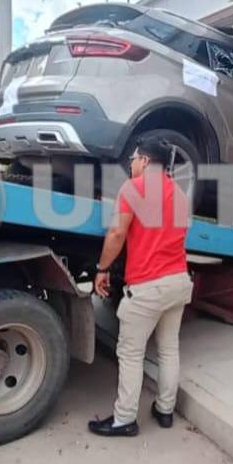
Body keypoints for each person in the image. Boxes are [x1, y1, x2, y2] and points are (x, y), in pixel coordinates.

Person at [89, 135, 193, 437]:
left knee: (131, 354)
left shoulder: (132, 188)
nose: (131, 164)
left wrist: (102, 269)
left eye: (133, 159)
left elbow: (117, 234)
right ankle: (165, 410)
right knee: (169, 349)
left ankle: (124, 420)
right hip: (178, 282)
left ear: (145, 160)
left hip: (147, 286)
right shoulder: (180, 194)